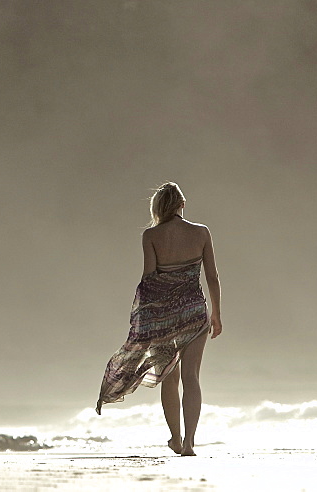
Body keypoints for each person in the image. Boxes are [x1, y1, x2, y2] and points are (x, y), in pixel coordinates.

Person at [95, 182, 222, 456]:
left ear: (158, 208)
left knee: (169, 377)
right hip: (195, 312)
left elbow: (149, 280)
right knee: (192, 377)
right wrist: (217, 314)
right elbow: (212, 276)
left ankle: (175, 439)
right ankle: (189, 443)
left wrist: (144, 321)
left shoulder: (151, 236)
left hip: (163, 317)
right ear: (183, 204)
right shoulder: (201, 233)